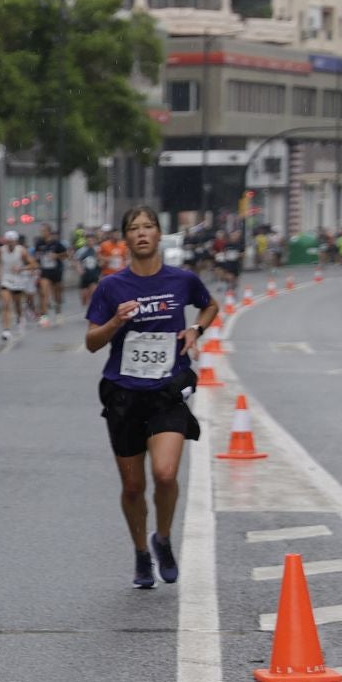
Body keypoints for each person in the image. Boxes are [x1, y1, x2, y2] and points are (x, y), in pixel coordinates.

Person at [84, 206, 217, 589]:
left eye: (148, 227)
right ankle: (142, 553)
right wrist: (115, 322)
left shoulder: (182, 280)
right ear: (125, 239)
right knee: (132, 487)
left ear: (159, 235)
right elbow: (92, 343)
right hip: (124, 395)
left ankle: (163, 537)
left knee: (165, 473)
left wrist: (195, 330)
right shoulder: (111, 287)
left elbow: (210, 305)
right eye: (134, 228)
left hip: (166, 391)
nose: (142, 233)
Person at [0, 230, 37, 341]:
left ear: (16, 241)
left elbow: (33, 264)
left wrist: (22, 268)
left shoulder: (22, 251)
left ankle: (20, 319)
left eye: (12, 242)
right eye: (8, 242)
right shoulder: (0, 251)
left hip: (18, 280)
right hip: (6, 279)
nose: (10, 244)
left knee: (17, 305)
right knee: (5, 304)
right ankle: (6, 330)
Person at [33, 224, 68, 325]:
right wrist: (35, 267)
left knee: (57, 295)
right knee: (44, 294)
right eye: (41, 231)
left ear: (49, 232)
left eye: (44, 231)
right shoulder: (39, 243)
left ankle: (58, 313)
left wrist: (56, 255)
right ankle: (44, 316)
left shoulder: (57, 243)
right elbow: (36, 256)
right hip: (45, 272)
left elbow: (66, 255)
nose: (42, 233)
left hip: (56, 271)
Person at [76, 230, 103, 309]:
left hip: (94, 275)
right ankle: (88, 305)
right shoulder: (81, 251)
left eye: (91, 239)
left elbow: (102, 261)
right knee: (83, 298)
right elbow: (77, 262)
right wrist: (79, 269)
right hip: (85, 275)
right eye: (88, 239)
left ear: (94, 240)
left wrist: (100, 263)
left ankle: (92, 312)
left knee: (93, 295)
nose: (90, 241)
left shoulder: (98, 249)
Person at [217, 228, 244, 298]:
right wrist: (225, 256)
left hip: (236, 263)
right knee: (229, 277)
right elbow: (224, 252)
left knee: (235, 279)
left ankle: (233, 289)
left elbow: (243, 254)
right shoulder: (227, 244)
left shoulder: (239, 245)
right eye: (232, 235)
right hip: (228, 263)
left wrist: (239, 255)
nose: (234, 237)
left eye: (235, 235)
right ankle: (229, 288)